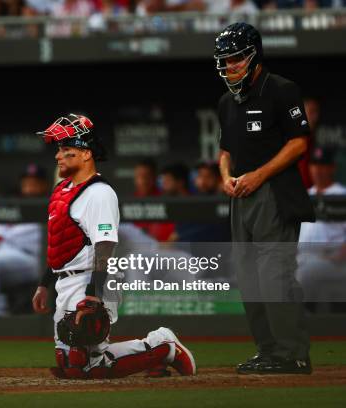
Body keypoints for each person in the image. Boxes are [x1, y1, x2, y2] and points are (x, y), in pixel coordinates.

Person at [32, 114, 196, 379]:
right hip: (65, 281)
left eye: (66, 150)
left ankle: (164, 345)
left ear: (86, 154)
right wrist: (44, 283)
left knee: (86, 364)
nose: (58, 156)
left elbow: (105, 245)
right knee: (68, 362)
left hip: (91, 278)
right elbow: (61, 246)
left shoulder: (99, 192)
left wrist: (94, 293)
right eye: (58, 149)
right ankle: (154, 354)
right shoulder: (62, 190)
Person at [216, 22, 315, 374]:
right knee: (248, 277)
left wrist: (259, 174)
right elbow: (225, 150)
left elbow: (299, 142)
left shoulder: (281, 90)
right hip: (239, 197)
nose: (230, 67)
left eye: (235, 60)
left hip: (274, 193)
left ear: (254, 55)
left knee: (275, 275)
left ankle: (293, 353)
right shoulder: (227, 102)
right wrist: (225, 178)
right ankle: (269, 350)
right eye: (225, 62)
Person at [0, 164, 48, 316]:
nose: (29, 187)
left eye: (34, 183)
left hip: (32, 260)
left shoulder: (51, 204)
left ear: (44, 185)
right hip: (1, 255)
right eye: (26, 183)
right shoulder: (13, 204)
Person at [296, 147, 346, 304]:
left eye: (322, 165)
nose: (318, 170)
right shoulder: (304, 195)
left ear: (332, 168)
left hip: (331, 258)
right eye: (314, 165)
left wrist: (339, 255)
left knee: (304, 274)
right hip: (301, 255)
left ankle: (301, 322)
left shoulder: (342, 194)